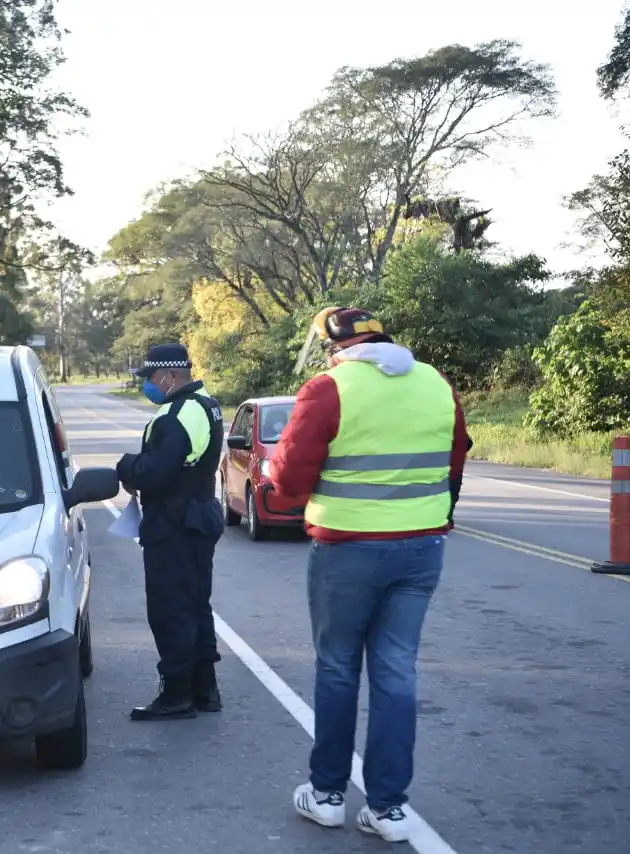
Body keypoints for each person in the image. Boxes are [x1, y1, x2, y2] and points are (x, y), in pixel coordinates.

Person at [268, 307, 472, 843]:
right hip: (422, 546)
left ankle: (329, 794)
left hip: (349, 549)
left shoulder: (328, 389)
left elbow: (289, 481)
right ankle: (389, 808)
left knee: (337, 667)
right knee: (396, 671)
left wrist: (275, 477)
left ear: (333, 347)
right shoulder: (435, 382)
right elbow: (456, 459)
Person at [115, 342, 226, 720]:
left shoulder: (176, 414)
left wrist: (126, 466)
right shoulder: (207, 405)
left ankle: (177, 694)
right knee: (196, 604)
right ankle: (204, 689)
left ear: (170, 375)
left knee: (170, 608)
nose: (148, 384)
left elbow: (155, 473)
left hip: (175, 522)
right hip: (199, 515)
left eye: (151, 377)